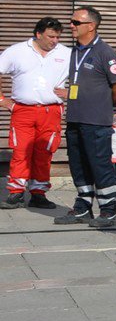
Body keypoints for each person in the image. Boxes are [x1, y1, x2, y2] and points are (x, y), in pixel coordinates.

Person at [52, 8, 116, 228]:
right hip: (76, 118)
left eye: (76, 22)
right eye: (71, 21)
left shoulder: (105, 52)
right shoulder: (75, 51)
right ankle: (83, 207)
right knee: (79, 164)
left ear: (91, 26)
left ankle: (109, 210)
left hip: (96, 121)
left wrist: (103, 105)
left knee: (99, 164)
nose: (71, 25)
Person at [0, 18, 70, 209]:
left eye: (57, 36)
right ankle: (16, 193)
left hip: (51, 111)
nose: (54, 40)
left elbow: (87, 77)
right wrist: (2, 100)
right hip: (23, 110)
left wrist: (72, 93)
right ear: (38, 34)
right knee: (20, 151)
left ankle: (39, 193)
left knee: (44, 153)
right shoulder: (16, 51)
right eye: (50, 36)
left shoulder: (66, 53)